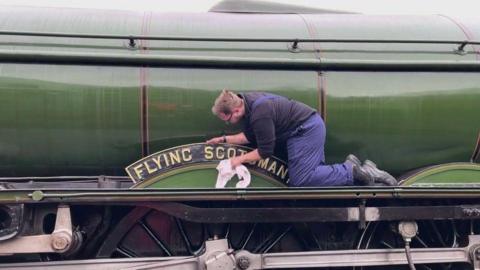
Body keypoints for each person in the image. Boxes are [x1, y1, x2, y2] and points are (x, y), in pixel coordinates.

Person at [206, 90, 397, 187]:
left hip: (305, 130)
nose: (229, 123)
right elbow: (249, 136)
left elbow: (265, 151)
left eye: (228, 119)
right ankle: (358, 169)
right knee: (317, 180)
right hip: (305, 128)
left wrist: (236, 160)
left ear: (236, 109)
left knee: (302, 180)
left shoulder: (259, 112)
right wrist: (223, 140)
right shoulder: (249, 103)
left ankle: (352, 170)